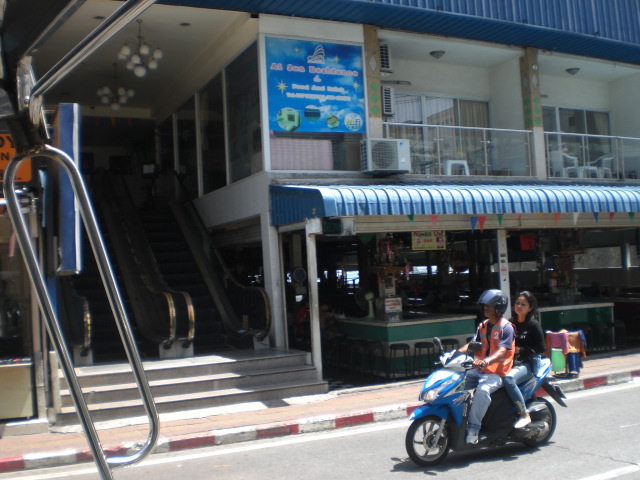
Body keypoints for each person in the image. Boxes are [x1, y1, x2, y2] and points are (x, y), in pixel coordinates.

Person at [458, 289, 515, 444]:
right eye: (485, 305)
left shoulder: (506, 327)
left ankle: (473, 429)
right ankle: (459, 420)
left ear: (499, 307)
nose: (486, 308)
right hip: (480, 370)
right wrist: (454, 354)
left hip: (497, 373)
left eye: (489, 306)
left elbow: (502, 351)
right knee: (458, 381)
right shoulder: (483, 325)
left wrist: (487, 361)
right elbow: (472, 344)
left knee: (482, 391)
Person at [503, 290, 546, 428]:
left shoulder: (533, 325)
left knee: (508, 379)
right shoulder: (510, 323)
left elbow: (541, 348)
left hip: (528, 363)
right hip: (511, 362)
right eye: (517, 303)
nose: (519, 306)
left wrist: (521, 350)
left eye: (523, 304)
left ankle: (523, 413)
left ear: (530, 308)